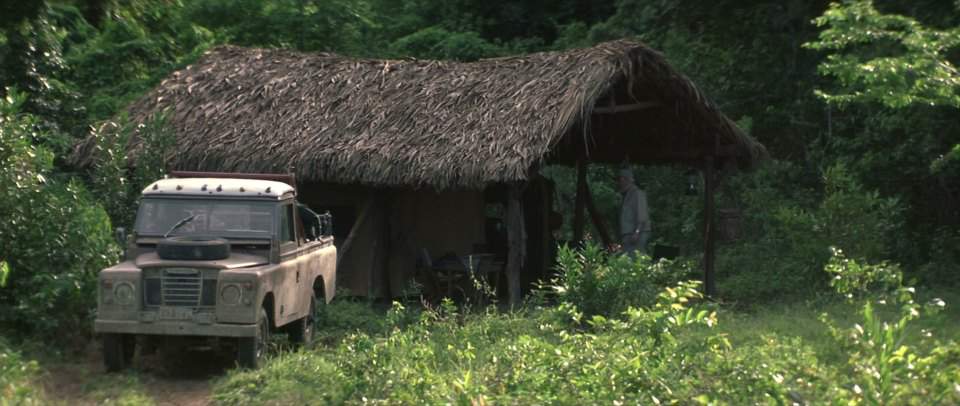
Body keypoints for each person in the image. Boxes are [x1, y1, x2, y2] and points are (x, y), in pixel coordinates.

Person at [618, 166, 651, 257]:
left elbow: (642, 214)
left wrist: (637, 232)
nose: (620, 182)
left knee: (636, 260)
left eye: (622, 179)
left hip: (636, 234)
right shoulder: (627, 195)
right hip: (628, 234)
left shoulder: (637, 193)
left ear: (627, 180)